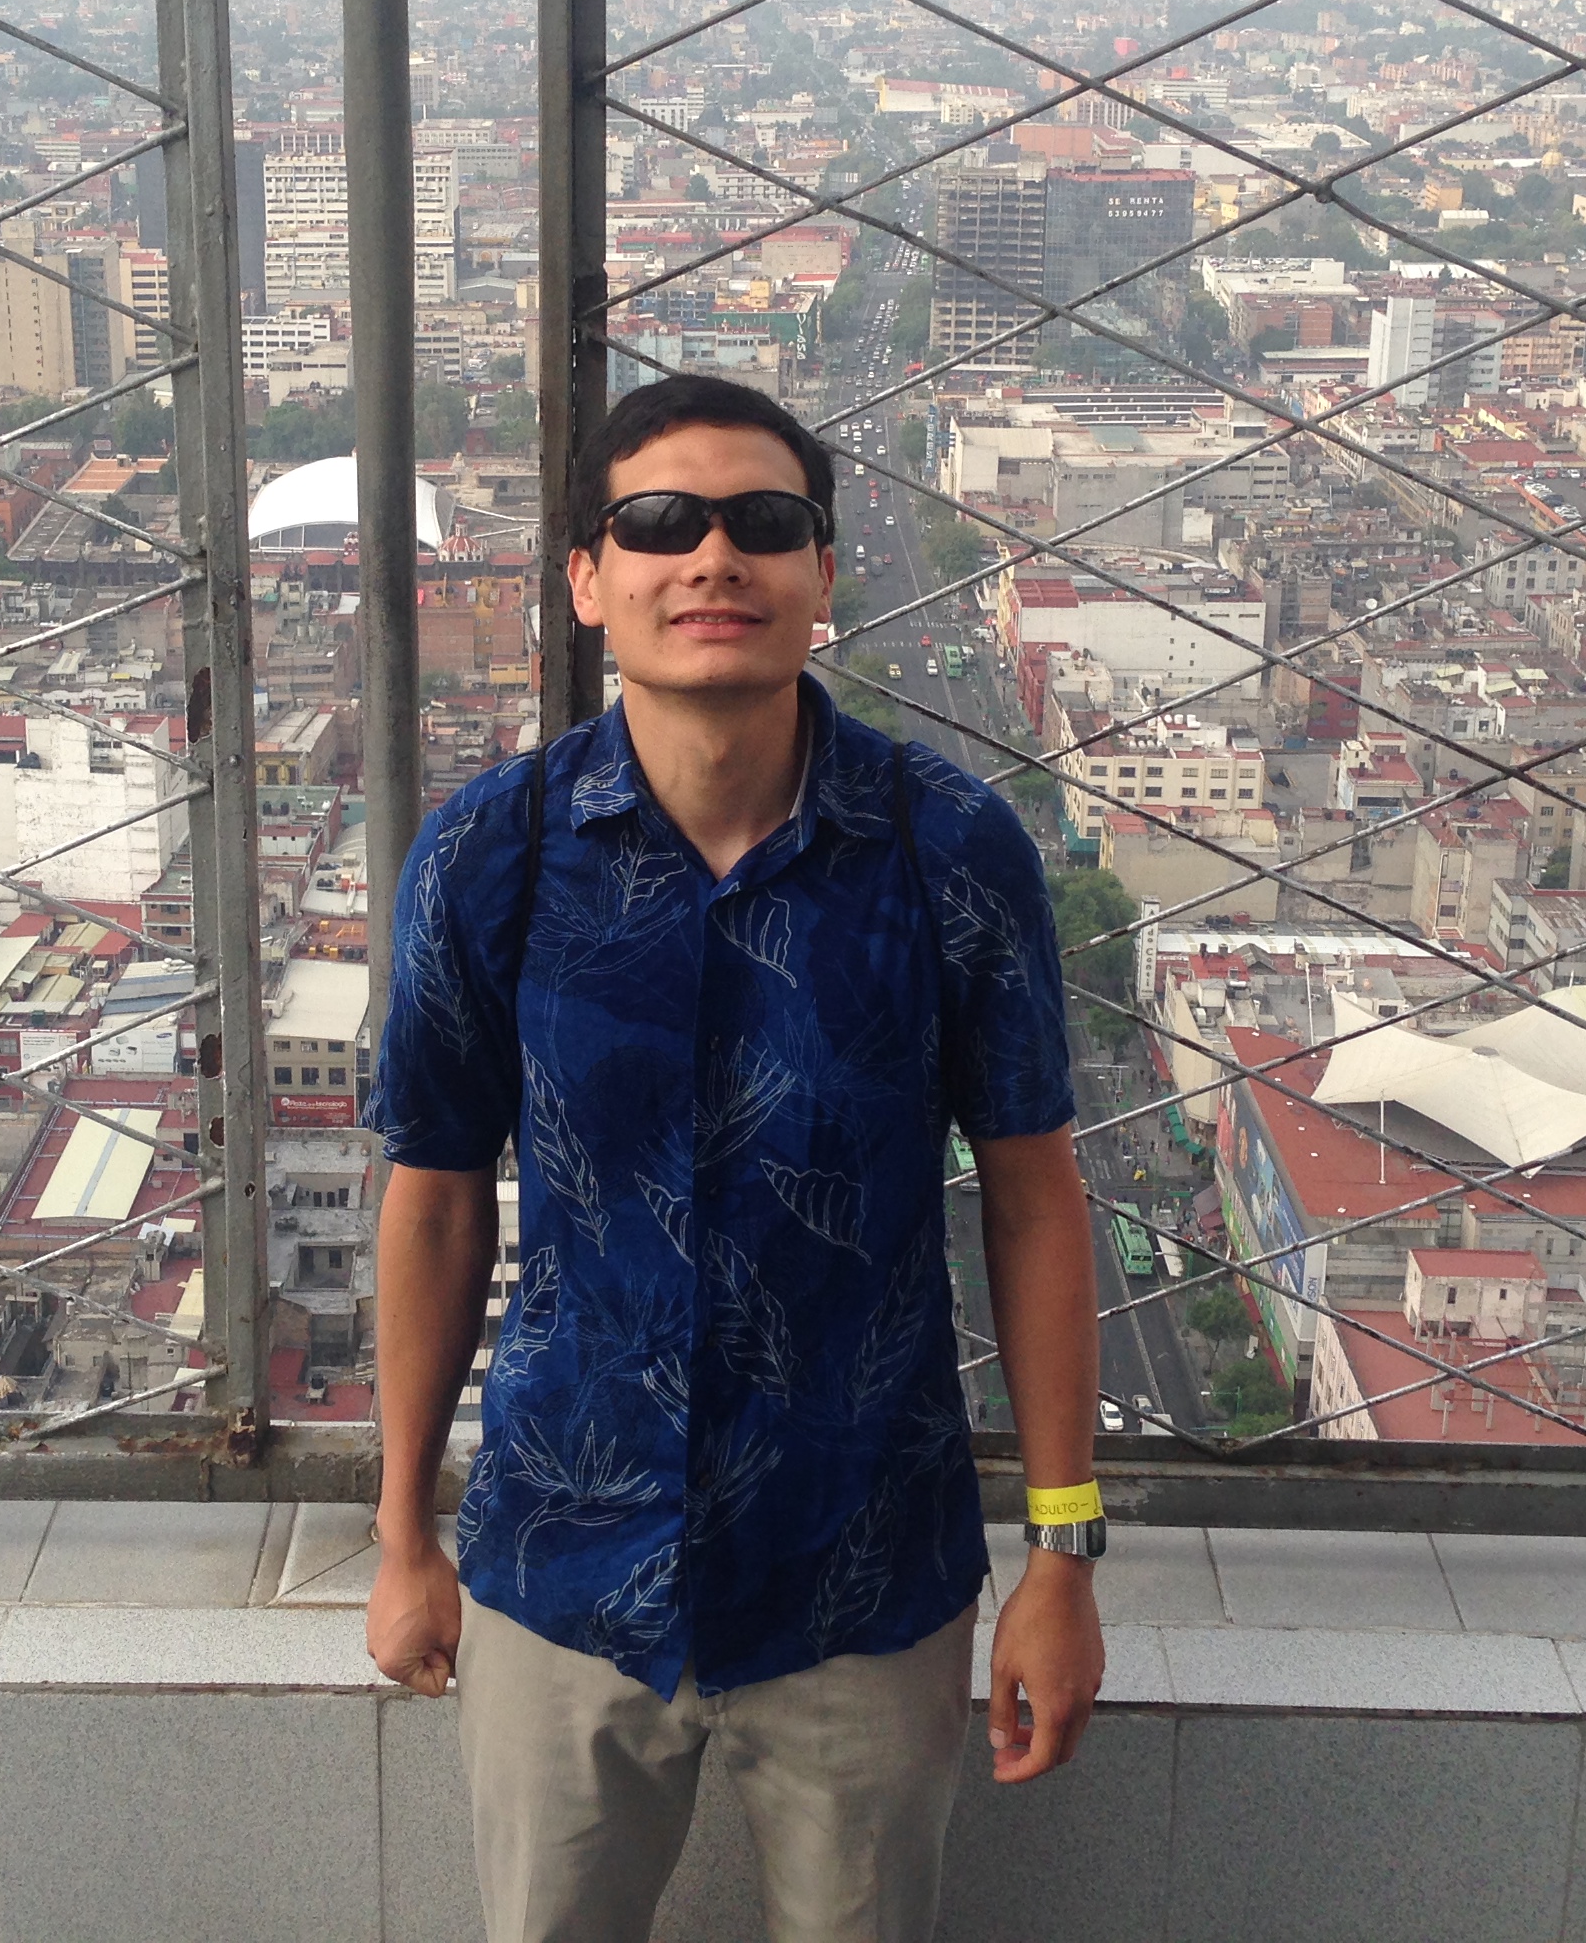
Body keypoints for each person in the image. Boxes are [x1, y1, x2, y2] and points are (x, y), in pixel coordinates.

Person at [364, 372, 1105, 1943]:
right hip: (564, 1563)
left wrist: (1063, 1557)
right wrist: (400, 1534)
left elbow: (1036, 1208)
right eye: (659, 523)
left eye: (763, 522)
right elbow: (431, 1204)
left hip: (861, 1571)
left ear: (822, 571)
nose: (713, 557)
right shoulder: (492, 857)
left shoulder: (950, 851)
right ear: (588, 579)